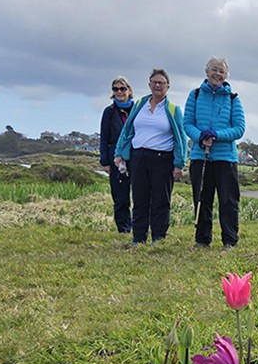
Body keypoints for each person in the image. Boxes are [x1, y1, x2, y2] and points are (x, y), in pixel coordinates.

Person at [113, 69, 187, 246]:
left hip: (162, 158)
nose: (157, 85)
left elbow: (181, 139)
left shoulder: (173, 109)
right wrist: (119, 153)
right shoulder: (140, 104)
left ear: (167, 86)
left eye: (161, 83)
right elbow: (127, 131)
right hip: (138, 157)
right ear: (149, 85)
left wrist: (179, 164)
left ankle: (158, 238)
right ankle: (138, 238)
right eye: (154, 82)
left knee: (161, 200)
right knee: (139, 198)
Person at [184, 57, 245, 248]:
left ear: (226, 75)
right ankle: (202, 240)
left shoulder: (233, 98)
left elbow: (239, 128)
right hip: (200, 157)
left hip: (225, 158)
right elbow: (187, 124)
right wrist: (200, 136)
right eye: (214, 70)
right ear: (207, 72)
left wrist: (216, 135)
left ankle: (230, 240)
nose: (217, 74)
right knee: (202, 199)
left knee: (228, 201)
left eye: (221, 71)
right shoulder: (194, 95)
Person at [100, 76, 134, 233]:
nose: (119, 92)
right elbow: (104, 137)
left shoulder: (138, 109)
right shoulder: (109, 112)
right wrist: (105, 162)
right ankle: (123, 228)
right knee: (120, 197)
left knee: (141, 195)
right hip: (115, 159)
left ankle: (138, 226)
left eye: (122, 88)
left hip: (136, 156)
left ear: (129, 90)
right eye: (115, 89)